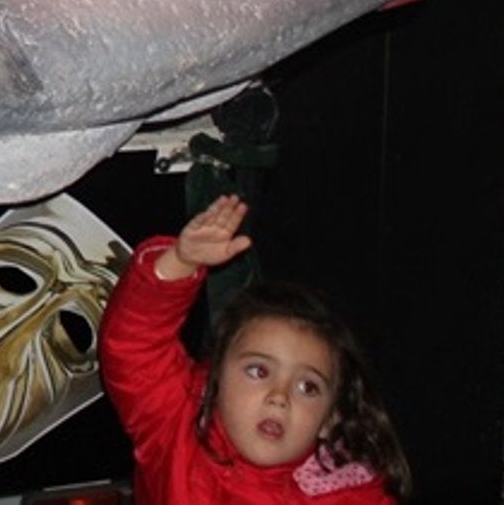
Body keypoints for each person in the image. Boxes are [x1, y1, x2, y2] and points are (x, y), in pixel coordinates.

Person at [99, 195, 411, 502]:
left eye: (308, 387)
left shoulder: (352, 497)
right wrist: (180, 262)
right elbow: (135, 346)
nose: (280, 397)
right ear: (216, 378)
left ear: (331, 418)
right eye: (258, 370)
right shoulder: (175, 426)